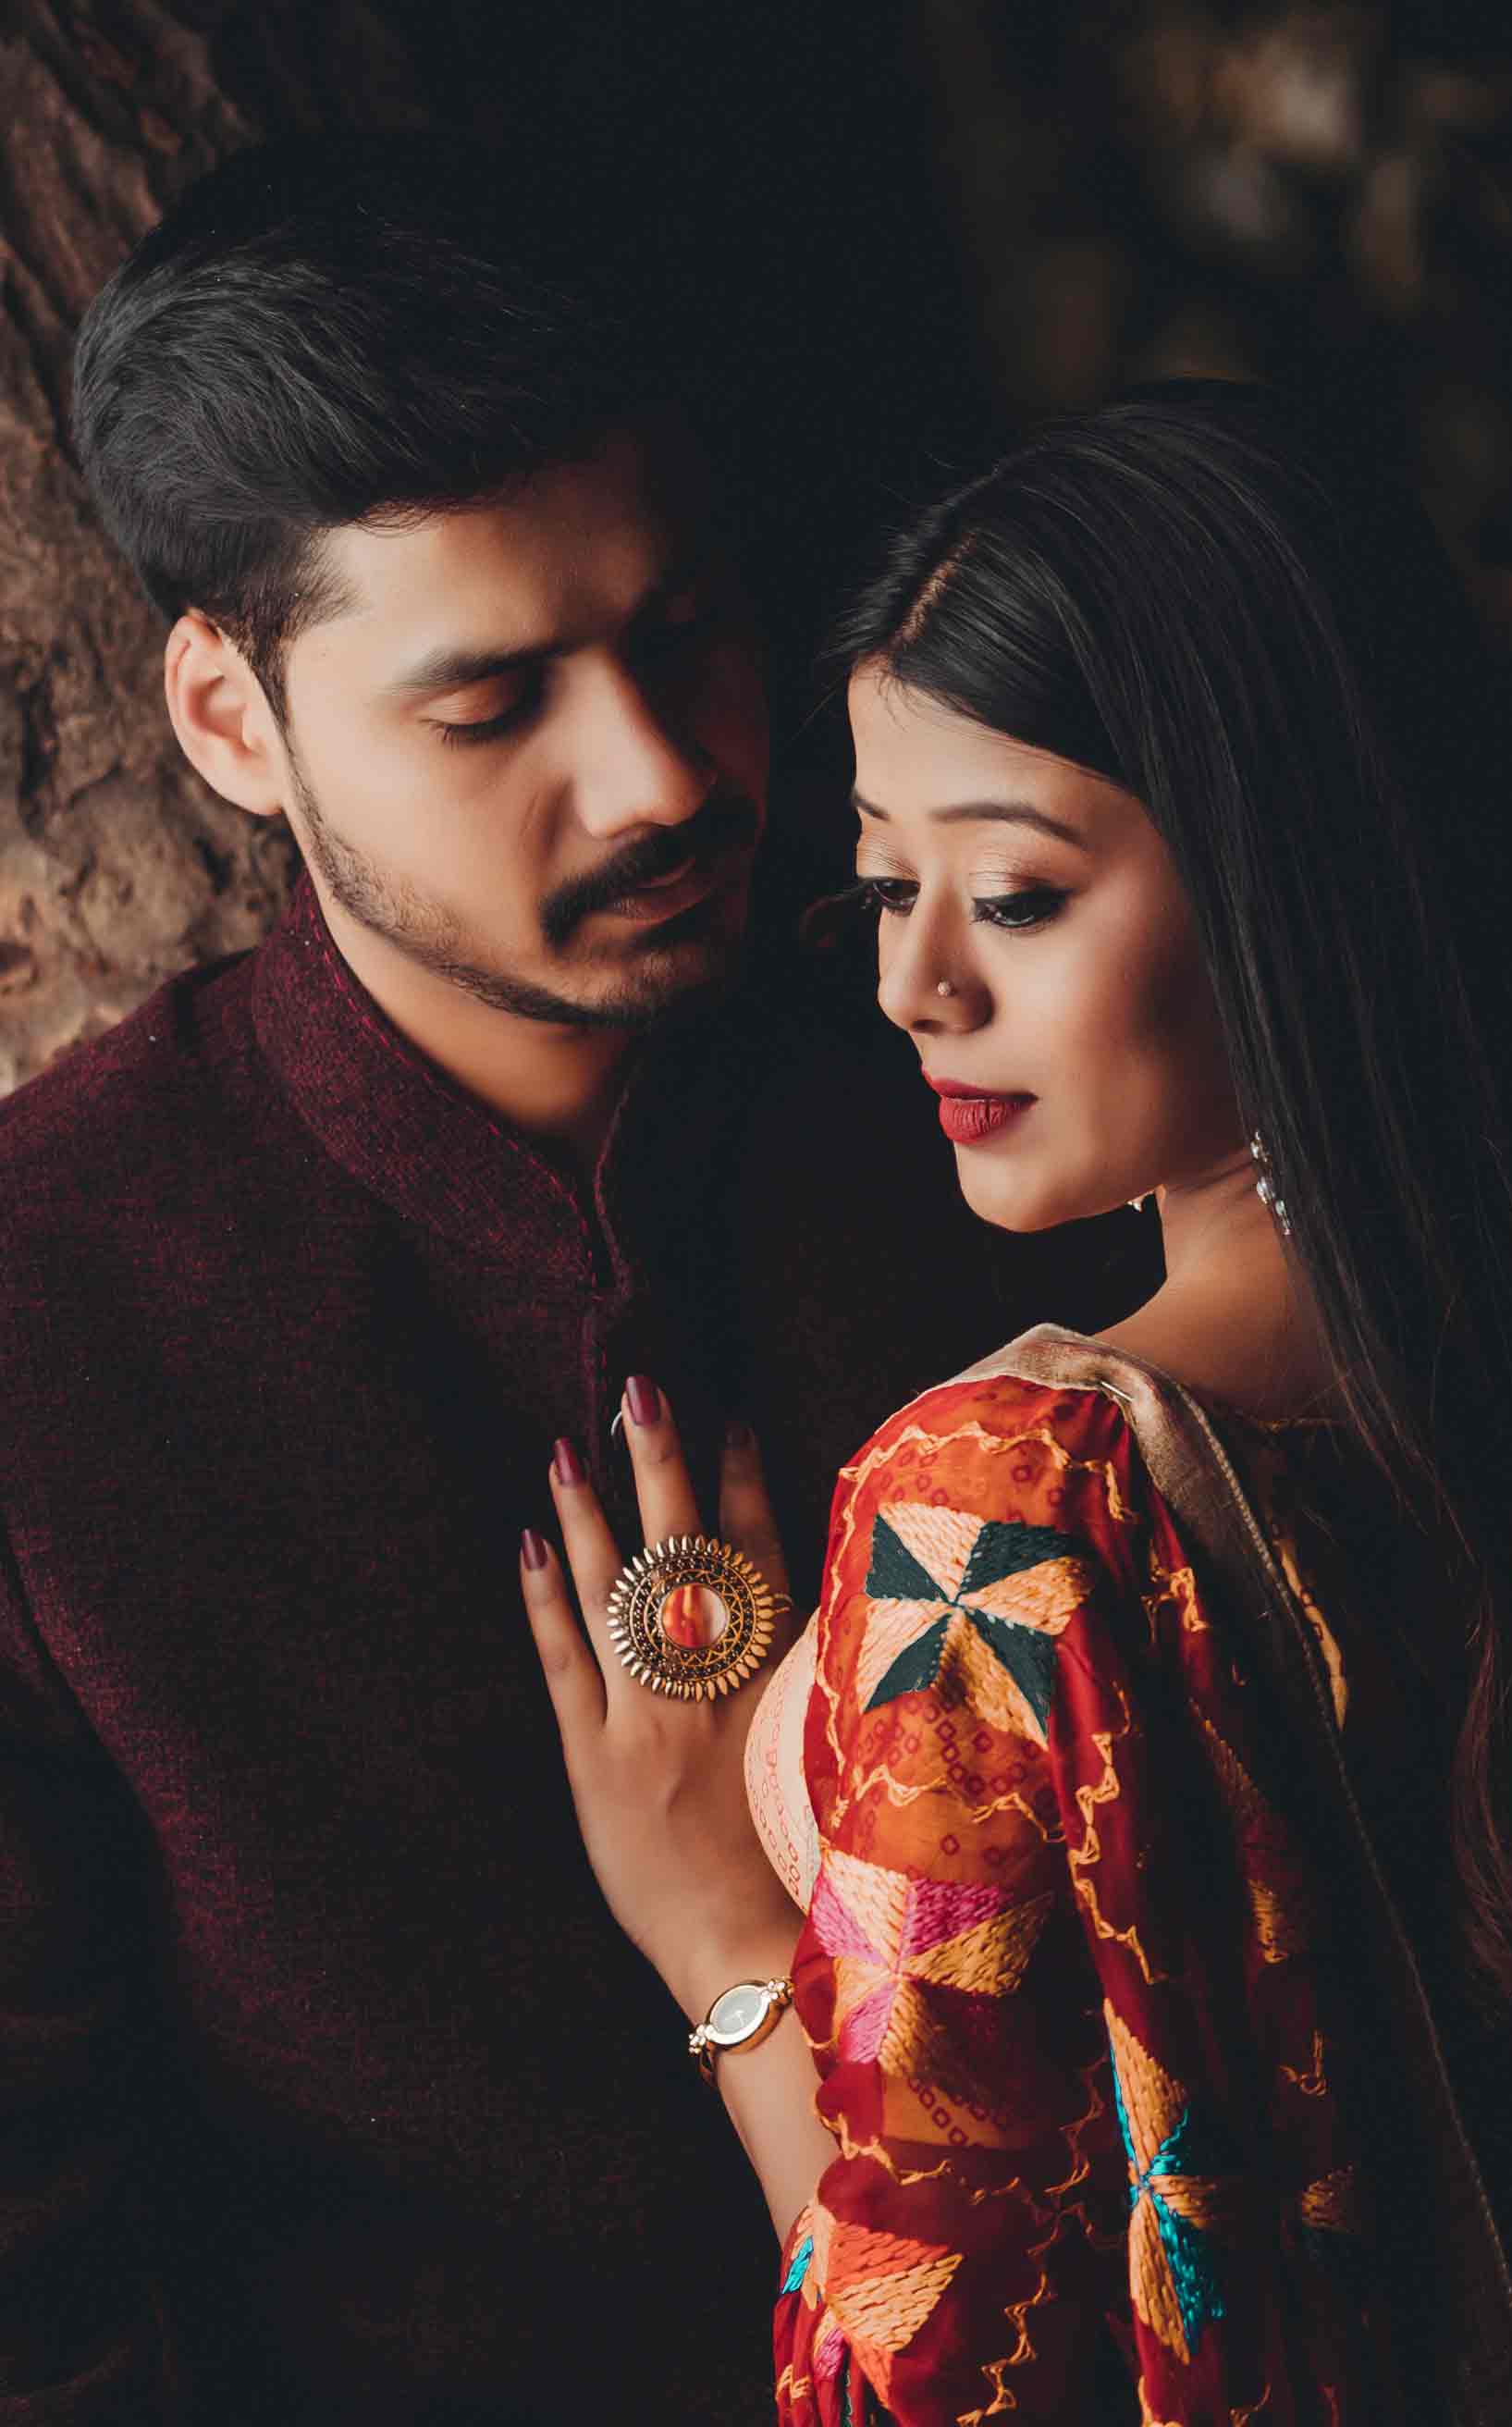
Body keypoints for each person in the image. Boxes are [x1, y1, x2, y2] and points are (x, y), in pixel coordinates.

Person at [517, 384, 1512, 2423]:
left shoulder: (1012, 1497)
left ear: (1279, 867)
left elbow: (937, 2383)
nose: (915, 985)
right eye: (887, 888)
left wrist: (708, 1912)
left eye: (1020, 893)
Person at [0, 140, 1126, 2420]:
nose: (658, 774)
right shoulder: (51, 1321)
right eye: (492, 702)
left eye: (686, 627)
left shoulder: (1003, 1085)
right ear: (232, 719)